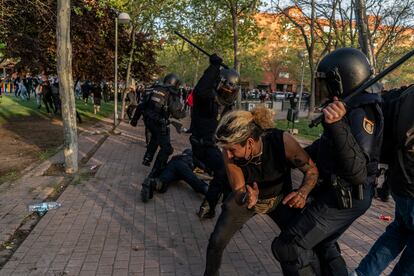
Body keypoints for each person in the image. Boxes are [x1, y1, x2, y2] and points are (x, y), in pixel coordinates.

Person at [272, 48, 384, 276]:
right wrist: (291, 155)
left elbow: (356, 172)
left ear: (341, 80)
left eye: (327, 82)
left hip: (348, 196)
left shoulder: (361, 113)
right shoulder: (348, 108)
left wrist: (336, 125)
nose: (323, 88)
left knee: (289, 246)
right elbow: (326, 150)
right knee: (323, 244)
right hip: (339, 192)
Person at [204, 106, 319, 276]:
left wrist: (303, 192)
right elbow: (238, 188)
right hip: (248, 199)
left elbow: (312, 171)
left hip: (280, 199)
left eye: (232, 150)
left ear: (249, 143)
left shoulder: (282, 142)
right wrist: (245, 197)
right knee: (216, 241)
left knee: (294, 245)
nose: (228, 154)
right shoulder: (229, 151)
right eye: (226, 149)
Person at [353, 84, 414, 276]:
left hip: (404, 181)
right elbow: (408, 140)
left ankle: (362, 274)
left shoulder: (409, 93)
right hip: (410, 183)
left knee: (399, 230)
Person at [190, 53, 240, 218]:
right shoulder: (206, 100)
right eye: (225, 88)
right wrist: (213, 67)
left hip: (212, 147)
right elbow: (200, 90)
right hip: (201, 147)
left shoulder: (226, 106)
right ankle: (212, 207)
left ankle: (218, 209)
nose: (227, 93)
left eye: (231, 90)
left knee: (229, 174)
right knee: (223, 171)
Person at [140, 73, 187, 202]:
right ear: (174, 83)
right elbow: (177, 112)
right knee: (167, 149)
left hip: (149, 122)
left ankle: (147, 157)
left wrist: (134, 120)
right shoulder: (170, 93)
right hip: (160, 123)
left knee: (155, 139)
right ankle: (154, 173)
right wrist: (184, 112)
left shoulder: (154, 88)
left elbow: (142, 105)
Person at [142, 148, 209, 201]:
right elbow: (204, 167)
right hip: (183, 166)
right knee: (194, 180)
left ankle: (153, 183)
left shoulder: (179, 156)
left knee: (163, 181)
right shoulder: (192, 157)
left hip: (172, 165)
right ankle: (209, 191)